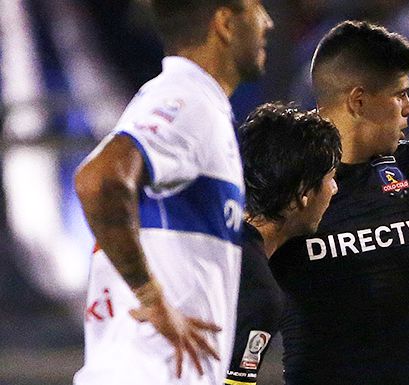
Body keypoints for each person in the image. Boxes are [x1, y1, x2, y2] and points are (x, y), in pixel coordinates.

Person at [269, 20, 409, 385]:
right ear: (359, 101)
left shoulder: (407, 167)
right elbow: (244, 293)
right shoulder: (287, 181)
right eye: (400, 95)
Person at [73, 1, 272, 384]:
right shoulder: (187, 101)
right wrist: (151, 297)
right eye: (256, 8)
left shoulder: (194, 103)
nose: (269, 21)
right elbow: (99, 180)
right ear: (226, 23)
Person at [225, 103, 341, 385]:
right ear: (303, 193)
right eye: (330, 178)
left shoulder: (208, 235)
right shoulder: (259, 292)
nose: (335, 189)